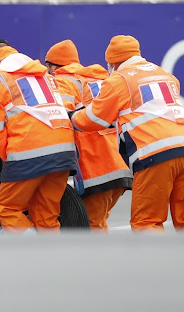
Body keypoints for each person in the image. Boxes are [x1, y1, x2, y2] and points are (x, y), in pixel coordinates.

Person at [70, 35, 184, 233]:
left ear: (113, 62)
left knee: (146, 223)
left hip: (155, 154)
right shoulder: (165, 74)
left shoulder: (120, 79)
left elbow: (95, 118)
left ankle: (158, 263)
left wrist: (72, 117)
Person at [0, 46, 78, 232]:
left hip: (27, 152)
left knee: (8, 209)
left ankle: (34, 254)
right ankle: (57, 258)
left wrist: (10, 159)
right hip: (64, 152)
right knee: (47, 216)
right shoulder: (45, 76)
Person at [44, 39, 132, 231]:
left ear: (54, 65)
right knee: (98, 223)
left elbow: (61, 120)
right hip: (119, 163)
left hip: (96, 167)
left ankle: (101, 261)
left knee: (91, 228)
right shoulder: (100, 80)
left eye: (47, 65)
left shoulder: (63, 81)